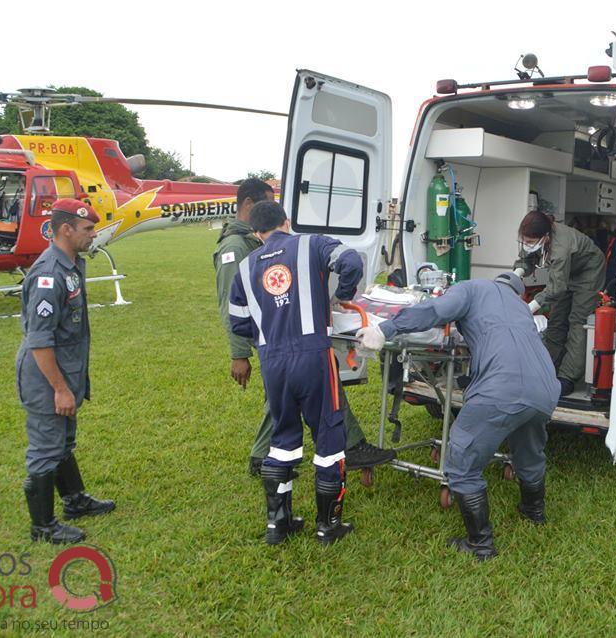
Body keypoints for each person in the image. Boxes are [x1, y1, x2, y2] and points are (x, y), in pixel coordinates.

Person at [357, 272, 560, 561]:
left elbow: (435, 310)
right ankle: (534, 512)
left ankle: (481, 544)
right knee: (529, 447)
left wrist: (386, 330)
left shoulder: (472, 288)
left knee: (462, 460)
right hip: (545, 387)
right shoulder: (520, 308)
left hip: (501, 387)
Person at [213, 179, 393, 477]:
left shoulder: (254, 246)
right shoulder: (236, 248)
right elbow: (228, 303)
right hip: (284, 338)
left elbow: (242, 310)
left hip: (280, 342)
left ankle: (271, 466)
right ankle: (336, 457)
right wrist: (239, 353)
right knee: (310, 393)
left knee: (286, 395)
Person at [229, 201, 364, 545]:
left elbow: (239, 323)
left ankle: (279, 524)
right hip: (313, 355)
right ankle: (327, 526)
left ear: (257, 234)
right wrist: (341, 297)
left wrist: (271, 328)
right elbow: (351, 261)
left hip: (272, 361)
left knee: (282, 440)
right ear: (286, 222)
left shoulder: (244, 268)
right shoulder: (313, 243)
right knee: (329, 438)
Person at [16, 199, 115, 544]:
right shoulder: (49, 275)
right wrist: (59, 388)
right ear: (66, 230)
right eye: (88, 229)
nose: (93, 235)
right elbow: (39, 341)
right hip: (47, 377)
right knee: (46, 447)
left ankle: (74, 501)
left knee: (63, 441)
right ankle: (42, 526)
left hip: (66, 372)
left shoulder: (72, 265)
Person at [514, 210, 606, 396]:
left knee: (577, 322)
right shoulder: (536, 235)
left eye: (530, 242)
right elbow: (527, 258)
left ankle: (568, 377)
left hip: (589, 271)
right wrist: (516, 274)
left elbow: (556, 287)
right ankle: (547, 369)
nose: (526, 245)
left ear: (545, 237)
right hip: (568, 272)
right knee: (556, 321)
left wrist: (531, 306)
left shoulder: (561, 248)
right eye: (524, 241)